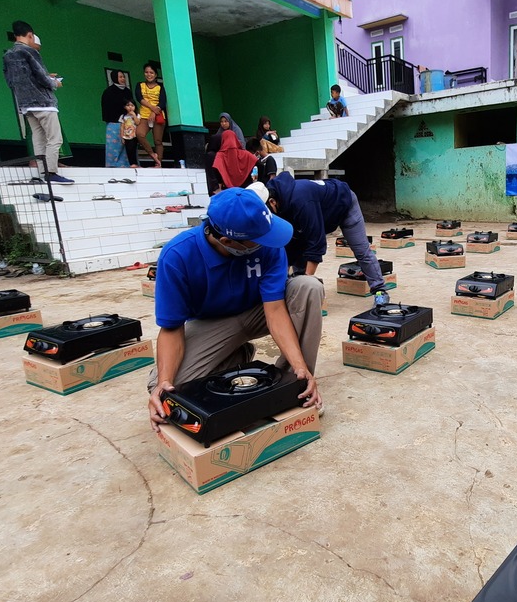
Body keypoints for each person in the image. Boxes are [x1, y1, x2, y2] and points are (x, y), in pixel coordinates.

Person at [147, 188, 324, 430]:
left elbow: (274, 311)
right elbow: (171, 328)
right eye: (258, 239)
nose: (267, 241)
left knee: (308, 286)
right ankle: (237, 357)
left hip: (259, 311)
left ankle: (295, 386)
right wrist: (164, 380)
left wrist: (299, 365)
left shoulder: (267, 242)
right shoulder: (178, 256)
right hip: (213, 324)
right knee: (169, 390)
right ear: (227, 241)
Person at [253, 173, 390, 305]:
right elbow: (290, 245)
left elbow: (317, 242)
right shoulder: (278, 201)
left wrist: (307, 282)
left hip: (344, 203)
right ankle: (298, 284)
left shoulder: (301, 201)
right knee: (297, 246)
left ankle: (380, 290)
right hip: (322, 211)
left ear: (272, 202)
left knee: (361, 250)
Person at [2, 21, 71, 183]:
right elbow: (41, 76)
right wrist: (55, 83)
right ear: (30, 35)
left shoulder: (8, 55)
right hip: (43, 103)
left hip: (26, 104)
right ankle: (51, 172)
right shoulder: (30, 52)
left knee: (38, 139)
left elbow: (10, 81)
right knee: (54, 139)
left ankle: (41, 173)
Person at [135, 63, 167, 167]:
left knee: (158, 141)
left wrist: (154, 112)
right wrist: (152, 107)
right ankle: (152, 154)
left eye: (151, 72)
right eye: (146, 72)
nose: (149, 74)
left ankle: (158, 163)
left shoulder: (160, 87)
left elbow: (162, 102)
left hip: (158, 116)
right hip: (144, 116)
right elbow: (139, 98)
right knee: (139, 134)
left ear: (155, 74)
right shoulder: (140, 85)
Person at [101, 70, 132, 168]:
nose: (123, 79)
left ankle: (127, 165)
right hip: (114, 123)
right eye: (120, 77)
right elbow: (107, 108)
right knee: (114, 146)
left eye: (123, 77)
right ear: (114, 78)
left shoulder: (127, 91)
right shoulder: (109, 92)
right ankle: (113, 166)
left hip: (127, 122)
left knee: (127, 145)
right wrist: (117, 118)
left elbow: (132, 105)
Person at [120, 101, 140, 168]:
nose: (130, 107)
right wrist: (122, 137)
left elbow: (137, 123)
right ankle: (131, 163)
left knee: (133, 149)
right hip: (126, 135)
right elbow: (122, 127)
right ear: (125, 107)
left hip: (134, 135)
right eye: (128, 105)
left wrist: (134, 115)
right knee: (128, 150)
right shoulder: (123, 116)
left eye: (132, 105)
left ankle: (135, 163)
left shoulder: (137, 115)